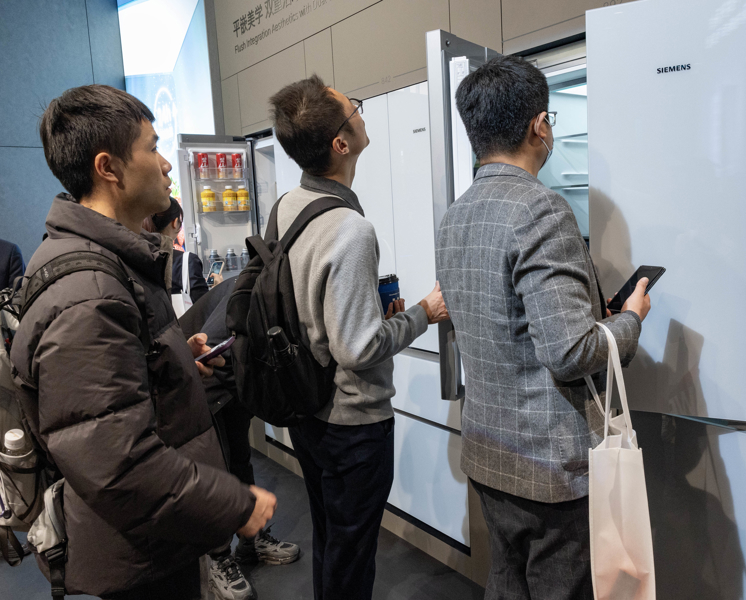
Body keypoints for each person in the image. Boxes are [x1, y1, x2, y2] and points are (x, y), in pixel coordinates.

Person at [10, 84, 277, 599]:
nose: (166, 164)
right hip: (141, 554)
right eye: (153, 148)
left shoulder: (105, 264)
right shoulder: (87, 294)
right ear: (108, 168)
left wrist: (175, 361)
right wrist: (234, 504)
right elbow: (117, 462)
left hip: (154, 537)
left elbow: (110, 402)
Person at [435, 55, 653, 600]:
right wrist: (630, 320)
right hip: (549, 468)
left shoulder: (455, 214)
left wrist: (587, 314)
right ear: (539, 126)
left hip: (489, 451)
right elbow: (570, 352)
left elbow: (504, 320)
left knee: (508, 582)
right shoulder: (541, 209)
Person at [268, 75, 449, 600]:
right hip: (353, 425)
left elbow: (313, 310)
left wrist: (371, 314)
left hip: (308, 408)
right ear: (341, 144)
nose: (363, 114)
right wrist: (423, 313)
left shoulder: (288, 205)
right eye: (356, 110)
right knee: (352, 556)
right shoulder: (350, 228)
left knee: (331, 541)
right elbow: (358, 348)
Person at [179, 278, 302, 600]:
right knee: (214, 471)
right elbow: (206, 356)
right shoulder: (248, 294)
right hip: (201, 388)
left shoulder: (282, 294)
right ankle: (218, 558)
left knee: (239, 459)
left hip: (232, 388)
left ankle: (252, 540)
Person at [142, 196, 221, 314]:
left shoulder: (135, 255)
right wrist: (217, 289)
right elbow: (205, 310)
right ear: (175, 223)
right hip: (180, 324)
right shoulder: (187, 261)